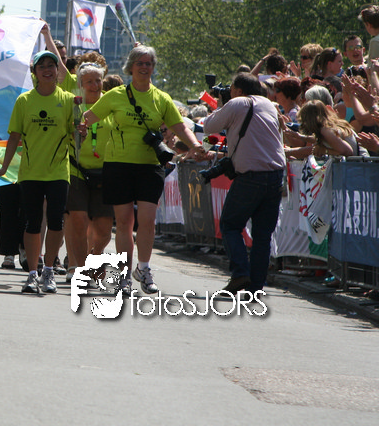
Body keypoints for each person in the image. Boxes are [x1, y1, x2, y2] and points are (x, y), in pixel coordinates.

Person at [82, 45, 205, 295]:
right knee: (124, 222)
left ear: (153, 67)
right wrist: (80, 128)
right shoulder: (115, 95)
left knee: (147, 220)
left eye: (149, 63)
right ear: (131, 67)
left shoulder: (161, 98)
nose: (144, 67)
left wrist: (195, 145)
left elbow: (180, 126)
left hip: (149, 166)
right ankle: (125, 275)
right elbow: (88, 117)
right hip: (118, 165)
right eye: (140, 63)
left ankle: (144, 269)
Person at [0, 24, 74, 294]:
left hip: (58, 172)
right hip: (29, 172)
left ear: (57, 70)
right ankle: (32, 272)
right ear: (35, 72)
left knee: (56, 222)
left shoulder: (68, 100)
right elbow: (14, 137)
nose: (48, 70)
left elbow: (77, 134)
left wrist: (83, 132)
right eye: (42, 67)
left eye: (52, 66)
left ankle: (49, 270)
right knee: (31, 223)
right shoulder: (24, 101)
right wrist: (4, 168)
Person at [203, 73, 286, 293]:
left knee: (230, 225)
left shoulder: (238, 103)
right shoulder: (269, 105)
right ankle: (255, 288)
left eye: (231, 90)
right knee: (262, 236)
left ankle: (240, 273)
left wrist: (221, 105)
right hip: (275, 176)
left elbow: (208, 126)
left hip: (251, 176)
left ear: (239, 91)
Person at [65, 62, 114, 283]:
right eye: (89, 82)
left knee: (103, 231)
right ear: (80, 85)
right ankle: (79, 267)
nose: (94, 85)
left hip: (105, 173)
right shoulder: (74, 106)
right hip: (76, 170)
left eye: (98, 80)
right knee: (78, 220)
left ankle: (95, 257)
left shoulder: (111, 104)